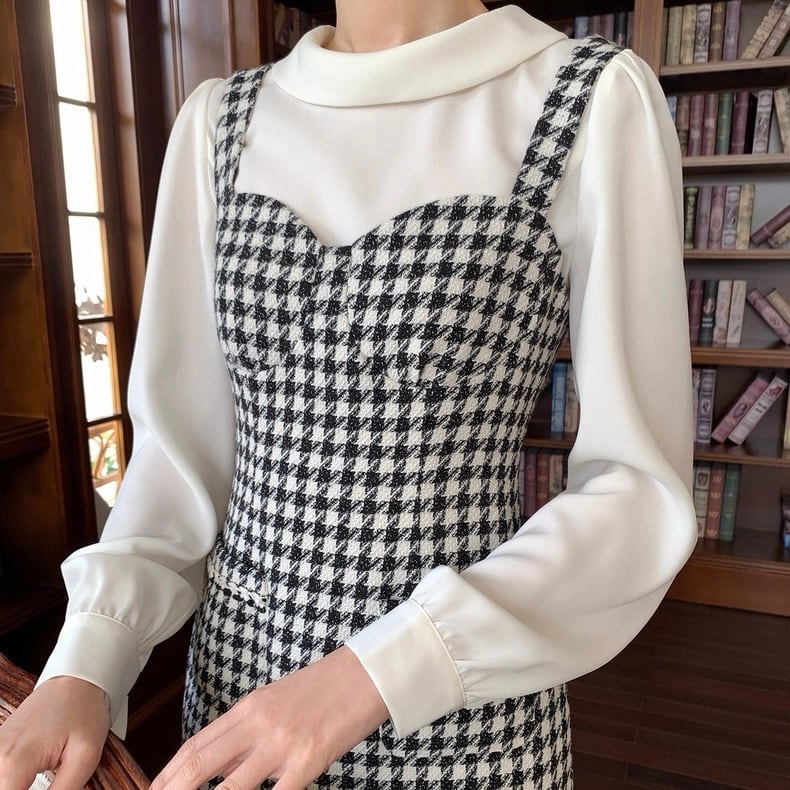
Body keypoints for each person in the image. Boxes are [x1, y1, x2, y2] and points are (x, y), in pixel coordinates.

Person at [0, 0, 698, 787]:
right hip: (238, 706)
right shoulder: (219, 123)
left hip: (467, 713)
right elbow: (180, 458)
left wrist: (381, 670)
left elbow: (637, 490)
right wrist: (87, 658)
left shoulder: (591, 98)